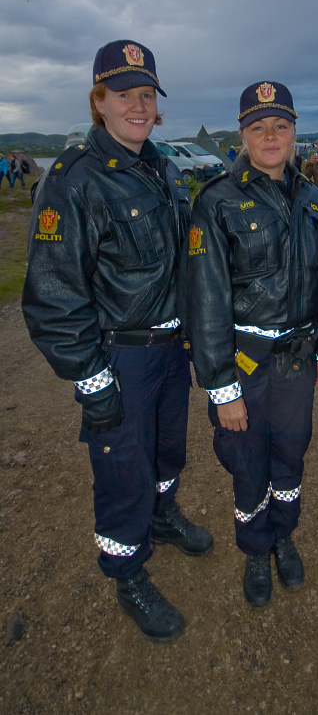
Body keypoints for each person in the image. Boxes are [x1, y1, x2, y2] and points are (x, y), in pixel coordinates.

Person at [22, 39, 213, 644]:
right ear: (98, 101)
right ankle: (127, 572)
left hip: (170, 349)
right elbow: (53, 295)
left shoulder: (164, 169)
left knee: (166, 452)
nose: (138, 105)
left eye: (147, 94)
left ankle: (161, 516)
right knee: (121, 469)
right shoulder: (74, 179)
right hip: (120, 356)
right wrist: (93, 379)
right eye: (124, 94)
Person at [182, 81, 318, 607]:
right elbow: (205, 301)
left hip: (297, 358)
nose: (270, 136)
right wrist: (222, 387)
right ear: (242, 135)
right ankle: (254, 548)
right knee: (246, 458)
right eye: (258, 127)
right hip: (244, 359)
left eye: (280, 126)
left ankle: (283, 536)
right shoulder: (217, 201)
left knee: (290, 451)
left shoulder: (314, 198)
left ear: (295, 133)